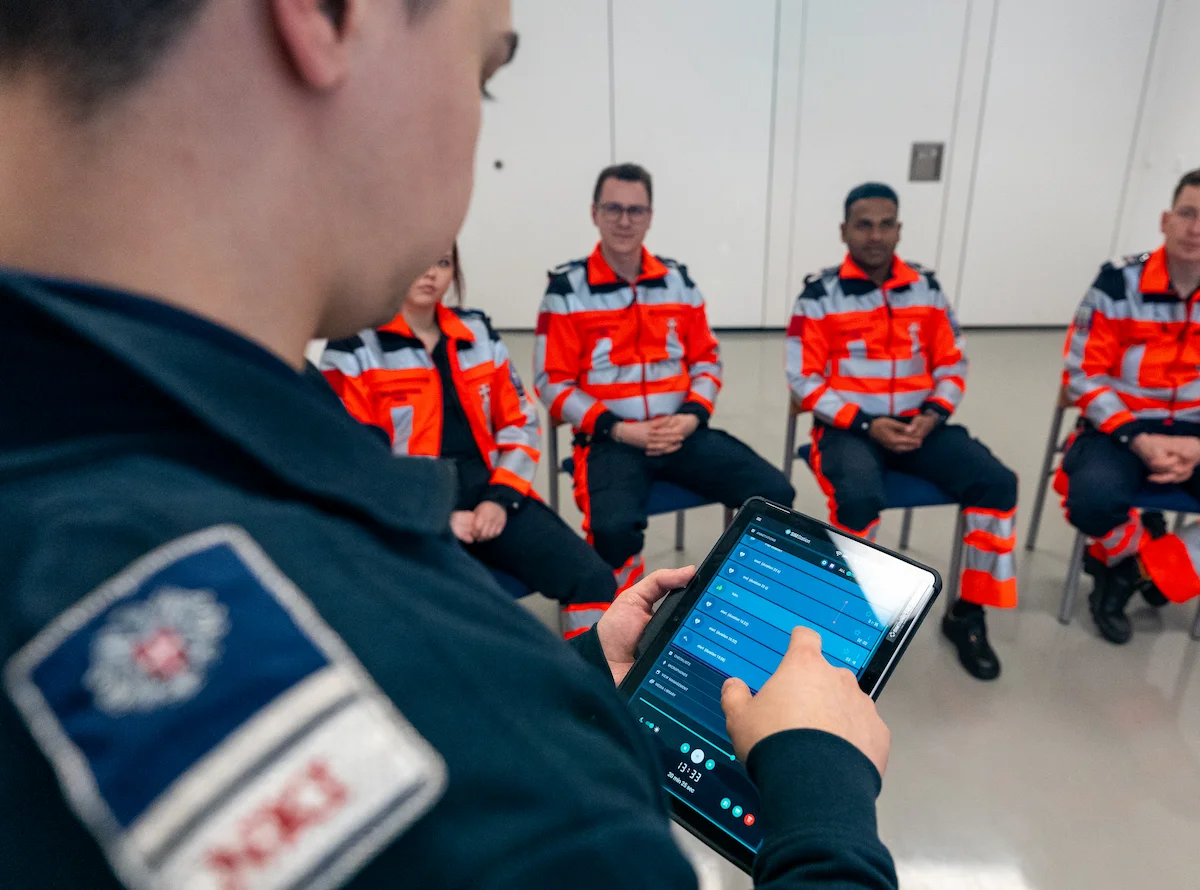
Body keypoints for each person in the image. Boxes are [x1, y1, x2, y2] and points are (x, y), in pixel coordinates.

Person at [0, 2, 896, 889]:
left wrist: (576, 673)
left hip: (596, 464)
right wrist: (821, 790)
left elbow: (520, 412)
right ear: (324, 17)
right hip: (605, 447)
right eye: (485, 75)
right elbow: (553, 398)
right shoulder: (524, 809)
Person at [320, 246, 616, 637]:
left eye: (442, 263)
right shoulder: (353, 349)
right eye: (419, 260)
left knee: (593, 579)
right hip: (409, 506)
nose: (430, 274)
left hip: (490, 493)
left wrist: (500, 498)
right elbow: (353, 459)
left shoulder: (476, 333)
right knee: (455, 617)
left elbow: (520, 423)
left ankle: (593, 678)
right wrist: (436, 513)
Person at [786, 183, 1019, 681]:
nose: (875, 235)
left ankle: (968, 613)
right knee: (858, 499)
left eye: (885, 224)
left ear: (899, 229)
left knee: (997, 483)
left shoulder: (927, 288)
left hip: (921, 425)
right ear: (844, 230)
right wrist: (867, 423)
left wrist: (934, 413)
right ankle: (852, 620)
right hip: (849, 430)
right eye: (863, 224)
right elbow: (804, 379)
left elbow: (953, 362)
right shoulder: (818, 295)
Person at [533, 163, 797, 594]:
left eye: (636, 210)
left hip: (681, 431)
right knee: (613, 530)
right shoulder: (566, 290)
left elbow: (708, 361)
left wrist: (692, 416)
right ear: (594, 213)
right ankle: (627, 620)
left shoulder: (677, 282)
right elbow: (551, 381)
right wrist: (618, 429)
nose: (624, 220)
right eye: (613, 208)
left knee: (773, 494)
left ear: (650, 216)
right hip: (613, 440)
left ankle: (735, 602)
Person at [1058, 168, 1200, 644]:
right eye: (1187, 214)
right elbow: (1082, 373)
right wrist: (1138, 438)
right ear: (1165, 219)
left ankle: (1134, 571)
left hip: (1195, 435)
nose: (1196, 228)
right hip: (1121, 427)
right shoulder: (1118, 283)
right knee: (1091, 499)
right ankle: (1143, 555)